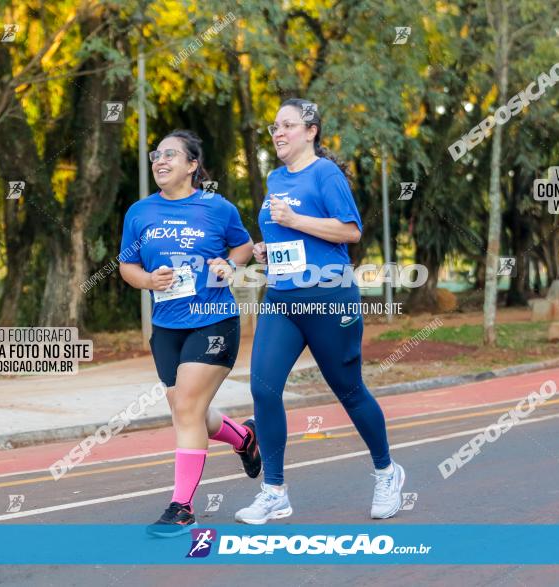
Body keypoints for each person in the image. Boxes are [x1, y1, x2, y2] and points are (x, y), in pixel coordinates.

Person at [234, 99, 405, 525]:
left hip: (329, 298)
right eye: (274, 127)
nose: (278, 133)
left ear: (311, 131)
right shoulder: (274, 177)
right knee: (264, 389)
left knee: (349, 391)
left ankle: (387, 472)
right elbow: (287, 239)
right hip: (282, 299)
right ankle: (274, 491)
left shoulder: (325, 174)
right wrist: (266, 250)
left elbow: (350, 230)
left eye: (287, 125)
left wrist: (295, 220)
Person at [118, 129, 259, 537]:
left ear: (193, 165)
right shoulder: (139, 212)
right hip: (166, 327)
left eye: (170, 155)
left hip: (212, 320)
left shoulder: (217, 208)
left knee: (188, 409)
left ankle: (182, 508)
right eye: (156, 155)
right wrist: (148, 280)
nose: (160, 161)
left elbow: (244, 245)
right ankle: (244, 438)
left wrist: (228, 266)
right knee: (185, 407)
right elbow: (127, 267)